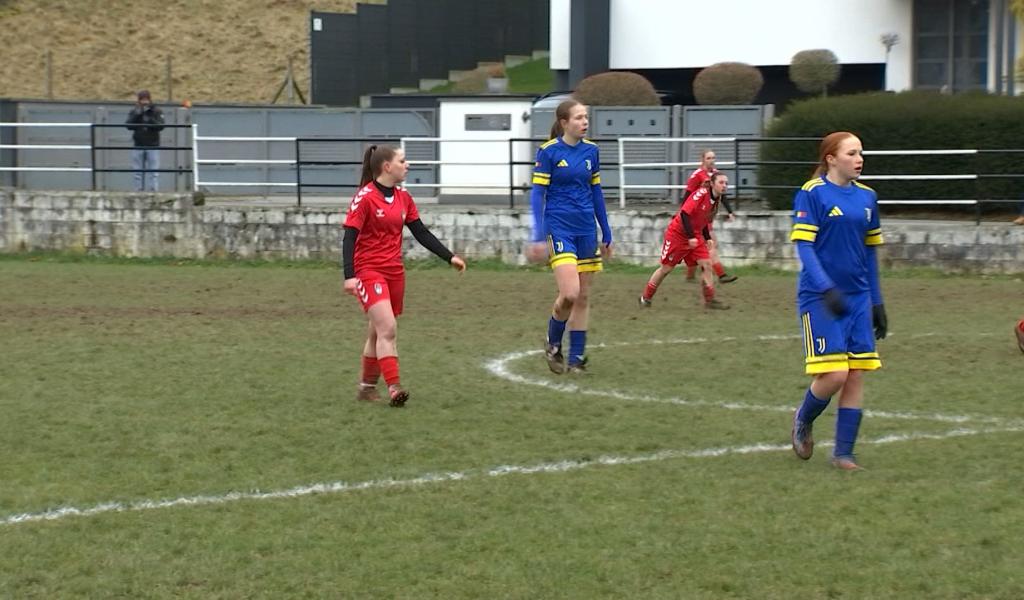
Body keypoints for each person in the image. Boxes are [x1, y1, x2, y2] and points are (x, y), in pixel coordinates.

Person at [789, 131, 887, 471]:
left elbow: (871, 251)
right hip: (820, 297)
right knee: (835, 374)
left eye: (861, 152)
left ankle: (844, 454)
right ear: (831, 158)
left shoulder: (868, 197)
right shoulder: (811, 193)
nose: (859, 159)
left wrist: (877, 301)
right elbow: (804, 246)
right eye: (851, 153)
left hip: (859, 298)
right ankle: (803, 417)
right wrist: (826, 287)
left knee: (856, 373)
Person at [342, 144, 466, 407]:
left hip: (394, 272)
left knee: (377, 332)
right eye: (402, 160)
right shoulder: (364, 197)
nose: (407, 164)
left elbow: (420, 232)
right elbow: (349, 236)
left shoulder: (404, 198)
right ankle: (394, 388)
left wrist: (449, 257)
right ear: (387, 166)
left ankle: (366, 388)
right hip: (368, 271)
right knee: (388, 328)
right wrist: (350, 276)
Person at [525, 99, 612, 375]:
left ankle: (576, 358)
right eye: (578, 118)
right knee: (570, 293)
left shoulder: (592, 151)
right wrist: (538, 235)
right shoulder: (549, 152)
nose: (584, 122)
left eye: (586, 117)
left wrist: (606, 232)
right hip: (559, 227)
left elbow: (596, 193)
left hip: (586, 229)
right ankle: (552, 342)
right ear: (564, 123)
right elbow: (537, 194)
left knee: (583, 296)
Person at [639, 171, 731, 310]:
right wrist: (691, 237)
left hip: (695, 235)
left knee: (706, 264)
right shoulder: (701, 194)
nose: (724, 186)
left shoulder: (716, 200)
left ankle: (710, 300)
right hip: (678, 235)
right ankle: (646, 297)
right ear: (712, 184)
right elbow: (684, 214)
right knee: (666, 269)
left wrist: (706, 237)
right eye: (721, 182)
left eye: (726, 183)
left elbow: (704, 219)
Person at [683, 149, 737, 284]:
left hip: (706, 216)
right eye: (708, 158)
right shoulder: (697, 175)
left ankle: (690, 276)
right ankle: (721, 275)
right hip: (696, 215)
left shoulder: (716, 175)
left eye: (713, 157)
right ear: (702, 159)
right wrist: (686, 215)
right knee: (710, 245)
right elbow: (686, 196)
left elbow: (721, 194)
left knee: (704, 246)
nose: (712, 160)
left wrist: (730, 211)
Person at [125, 90, 164, 192]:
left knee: (154, 171)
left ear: (150, 100)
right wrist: (138, 114)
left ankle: (153, 190)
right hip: (138, 144)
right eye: (142, 100)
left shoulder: (156, 111)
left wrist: (150, 117)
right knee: (137, 171)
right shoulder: (135, 111)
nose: (144, 102)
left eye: (146, 100)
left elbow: (161, 126)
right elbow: (128, 125)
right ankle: (138, 189)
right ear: (139, 101)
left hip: (153, 145)